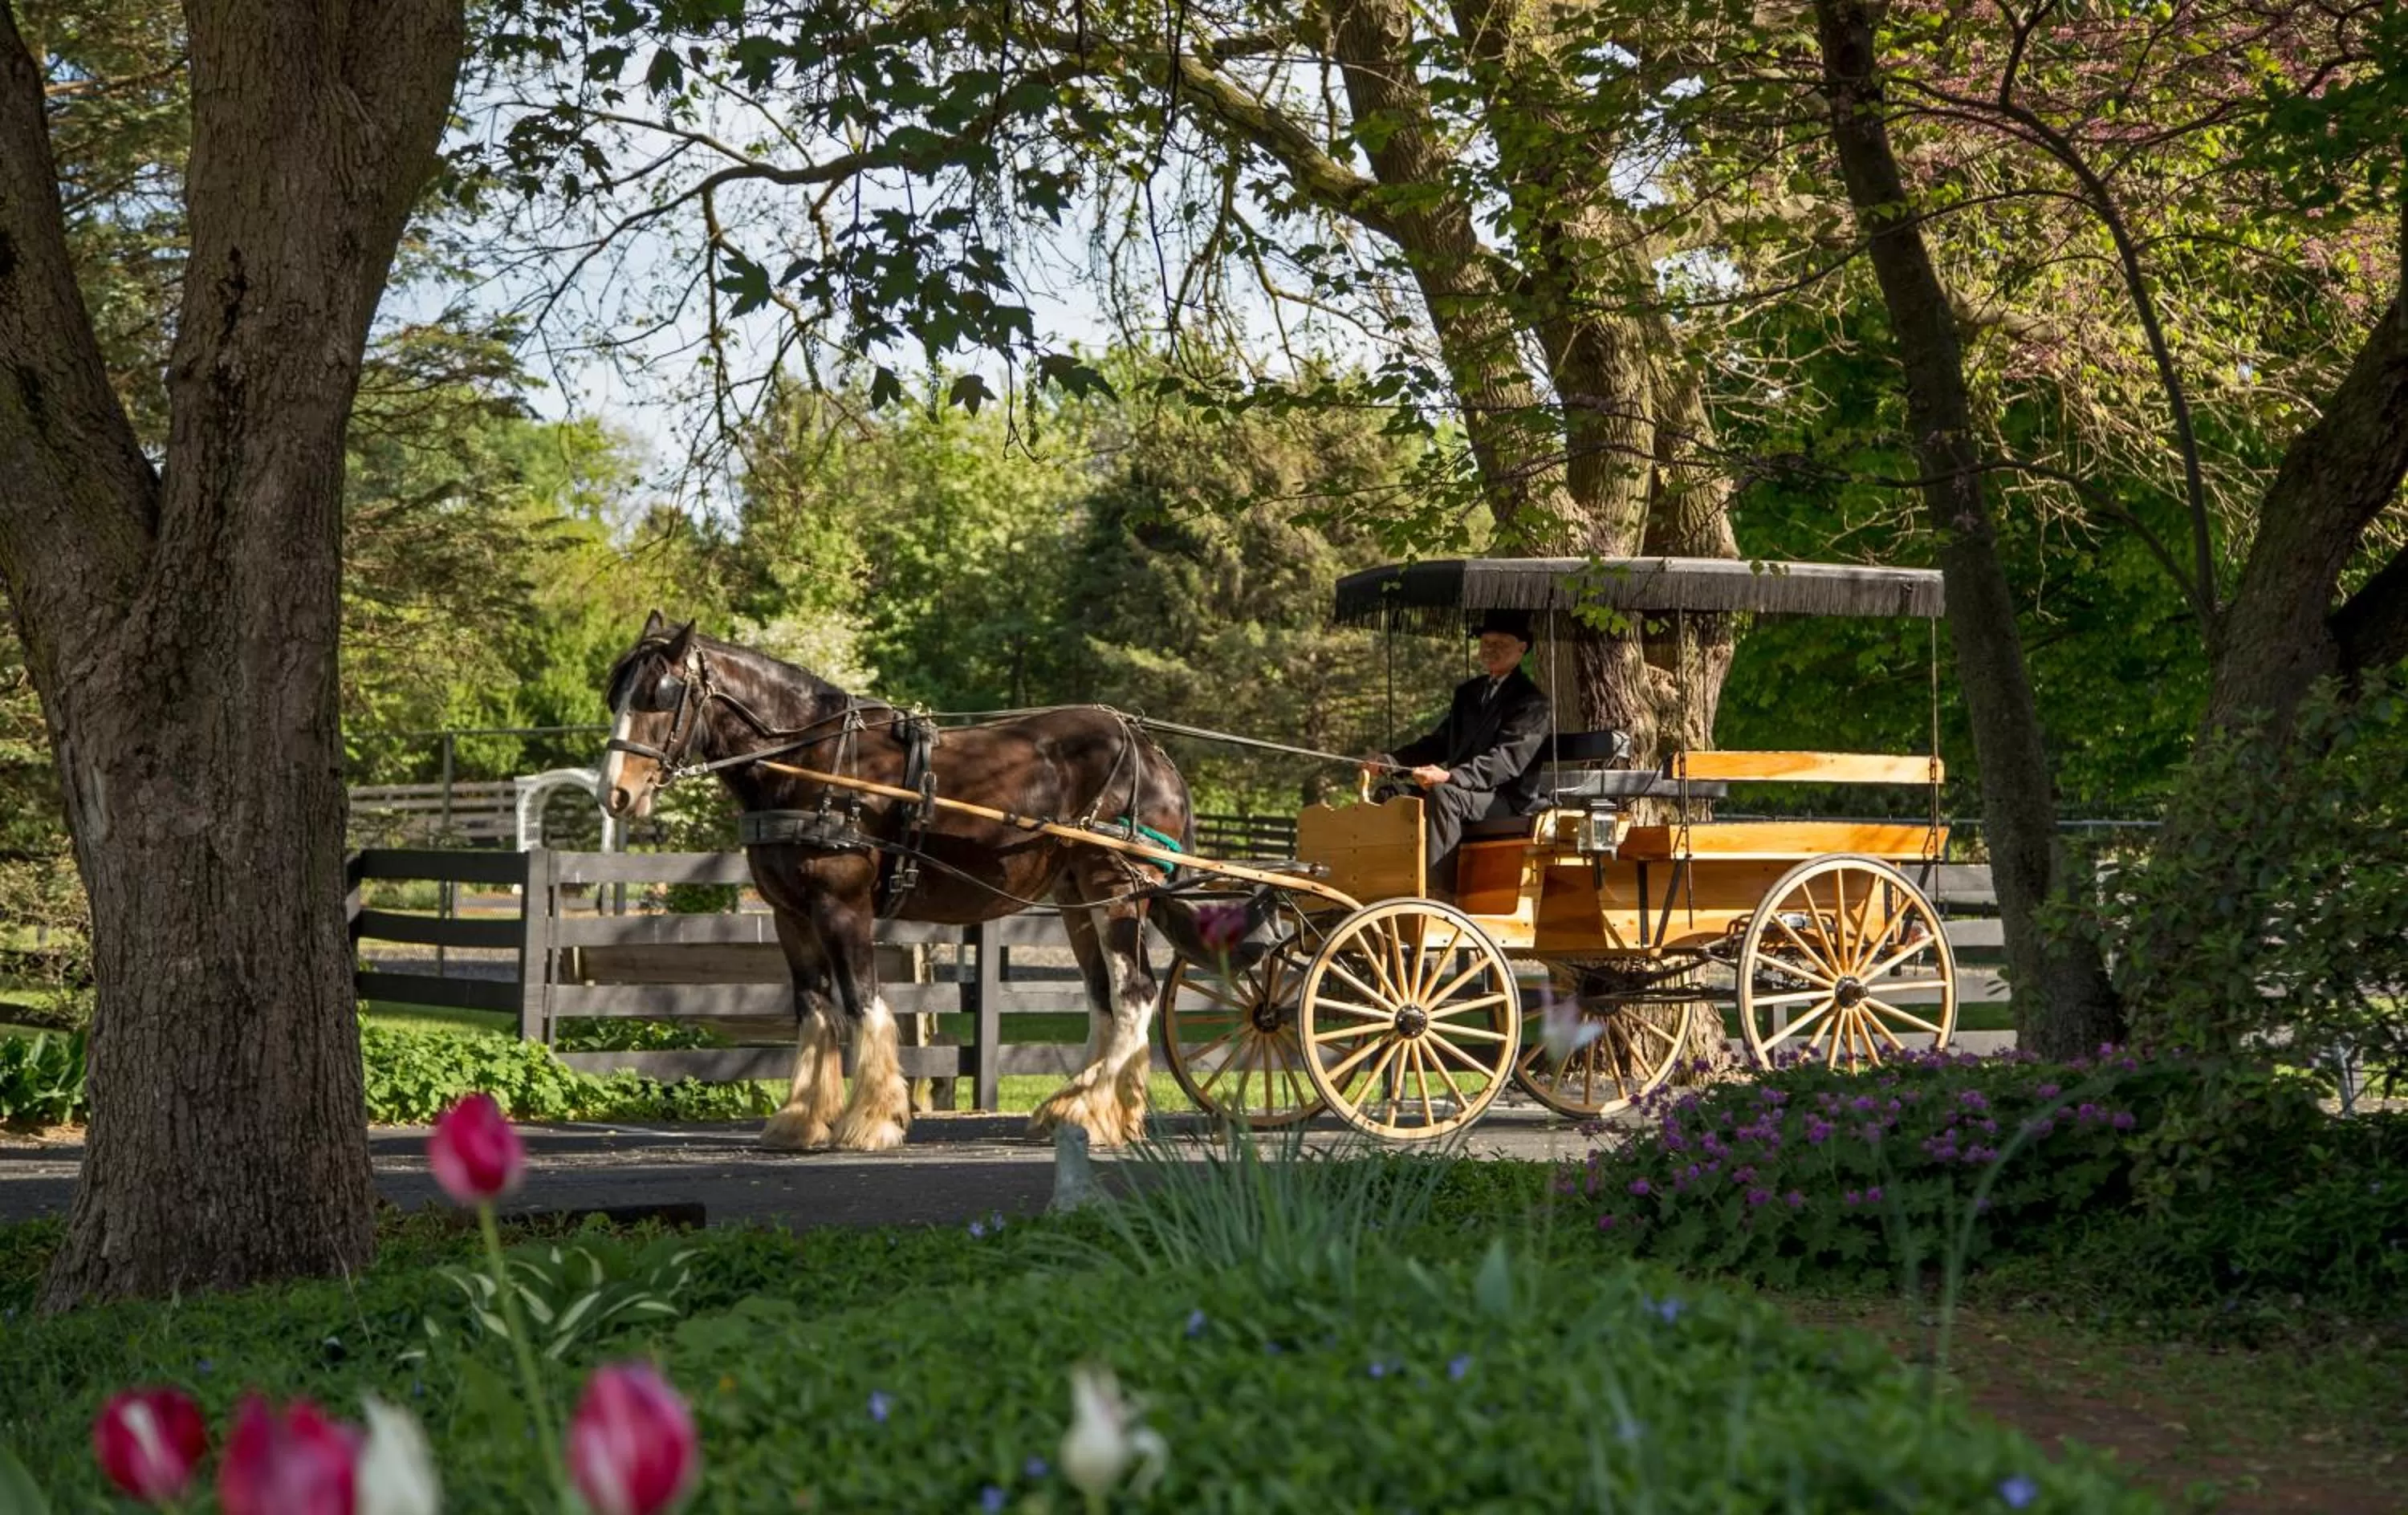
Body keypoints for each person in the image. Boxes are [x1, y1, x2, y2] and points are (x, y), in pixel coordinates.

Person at [1362, 610, 1552, 897]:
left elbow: (1507, 760)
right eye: (1485, 643)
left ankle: (1440, 895)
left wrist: (1452, 777)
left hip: (1506, 799)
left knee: (1444, 796)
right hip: (1464, 792)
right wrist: (1391, 762)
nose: (1490, 650)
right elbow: (1438, 743)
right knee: (1392, 796)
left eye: (1500, 644)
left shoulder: (1531, 702)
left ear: (1522, 648)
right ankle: (1389, 886)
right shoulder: (1469, 693)